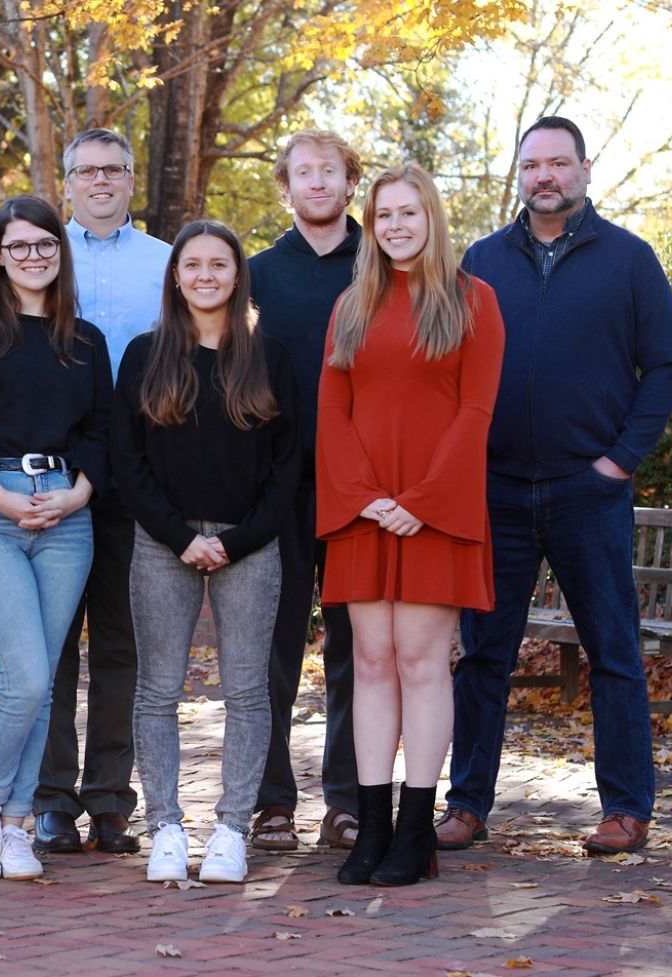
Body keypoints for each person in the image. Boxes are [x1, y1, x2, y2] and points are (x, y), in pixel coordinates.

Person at [439, 116, 672, 856]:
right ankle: (467, 804)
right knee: (484, 652)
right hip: (499, 491)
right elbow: (445, 368)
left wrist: (620, 460)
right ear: (518, 176)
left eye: (558, 163)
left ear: (584, 169)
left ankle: (625, 808)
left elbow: (666, 366)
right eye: (531, 165)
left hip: (591, 490)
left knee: (612, 648)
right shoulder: (479, 262)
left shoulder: (630, 259)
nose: (544, 176)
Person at [317, 163, 504, 887]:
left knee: (424, 661)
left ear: (432, 218)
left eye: (408, 212)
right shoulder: (353, 305)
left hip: (436, 508)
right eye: (384, 214)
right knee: (369, 660)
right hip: (364, 509)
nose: (395, 225)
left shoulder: (471, 302)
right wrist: (364, 494)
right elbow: (333, 409)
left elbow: (475, 413)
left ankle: (416, 828)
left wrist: (420, 499)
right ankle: (373, 825)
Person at [114, 220, 300, 884]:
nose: (204, 275)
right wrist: (179, 535)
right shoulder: (145, 355)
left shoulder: (269, 357)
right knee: (157, 690)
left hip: (249, 544)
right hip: (163, 542)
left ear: (236, 274)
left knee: (248, 691)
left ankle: (231, 828)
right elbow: (126, 461)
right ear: (175, 276)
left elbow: (288, 466)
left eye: (218, 264)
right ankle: (164, 824)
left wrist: (234, 539)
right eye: (191, 264)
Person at [0, 195, 112, 881]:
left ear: (59, 253)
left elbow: (101, 430)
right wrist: (2, 497)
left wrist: (75, 495)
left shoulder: (85, 338)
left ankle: (15, 824)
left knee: (41, 680)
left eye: (45, 245)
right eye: (19, 246)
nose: (33, 256)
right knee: (25, 673)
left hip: (67, 515)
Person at [36, 128, 170, 856]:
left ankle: (112, 799)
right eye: (85, 171)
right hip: (54, 473)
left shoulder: (166, 261)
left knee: (123, 644)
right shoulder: (39, 253)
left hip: (136, 474)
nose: (99, 181)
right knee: (52, 642)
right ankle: (53, 797)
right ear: (68, 181)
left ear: (129, 179)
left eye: (113, 170)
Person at [247, 129, 363, 853]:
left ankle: (348, 799)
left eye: (330, 171)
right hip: (276, 487)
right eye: (302, 173)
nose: (316, 183)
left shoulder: (382, 266)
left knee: (356, 645)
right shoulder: (255, 274)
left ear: (351, 184)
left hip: (359, 488)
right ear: (284, 189)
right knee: (272, 644)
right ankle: (271, 801)